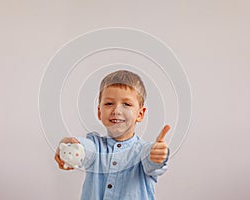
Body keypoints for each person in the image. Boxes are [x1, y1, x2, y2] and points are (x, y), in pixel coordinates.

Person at [55, 70, 170, 200]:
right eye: (109, 104)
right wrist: (68, 144)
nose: (116, 111)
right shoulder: (95, 145)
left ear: (140, 114)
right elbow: (84, 149)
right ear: (99, 112)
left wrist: (158, 155)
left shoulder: (145, 151)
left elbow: (153, 164)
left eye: (126, 104)